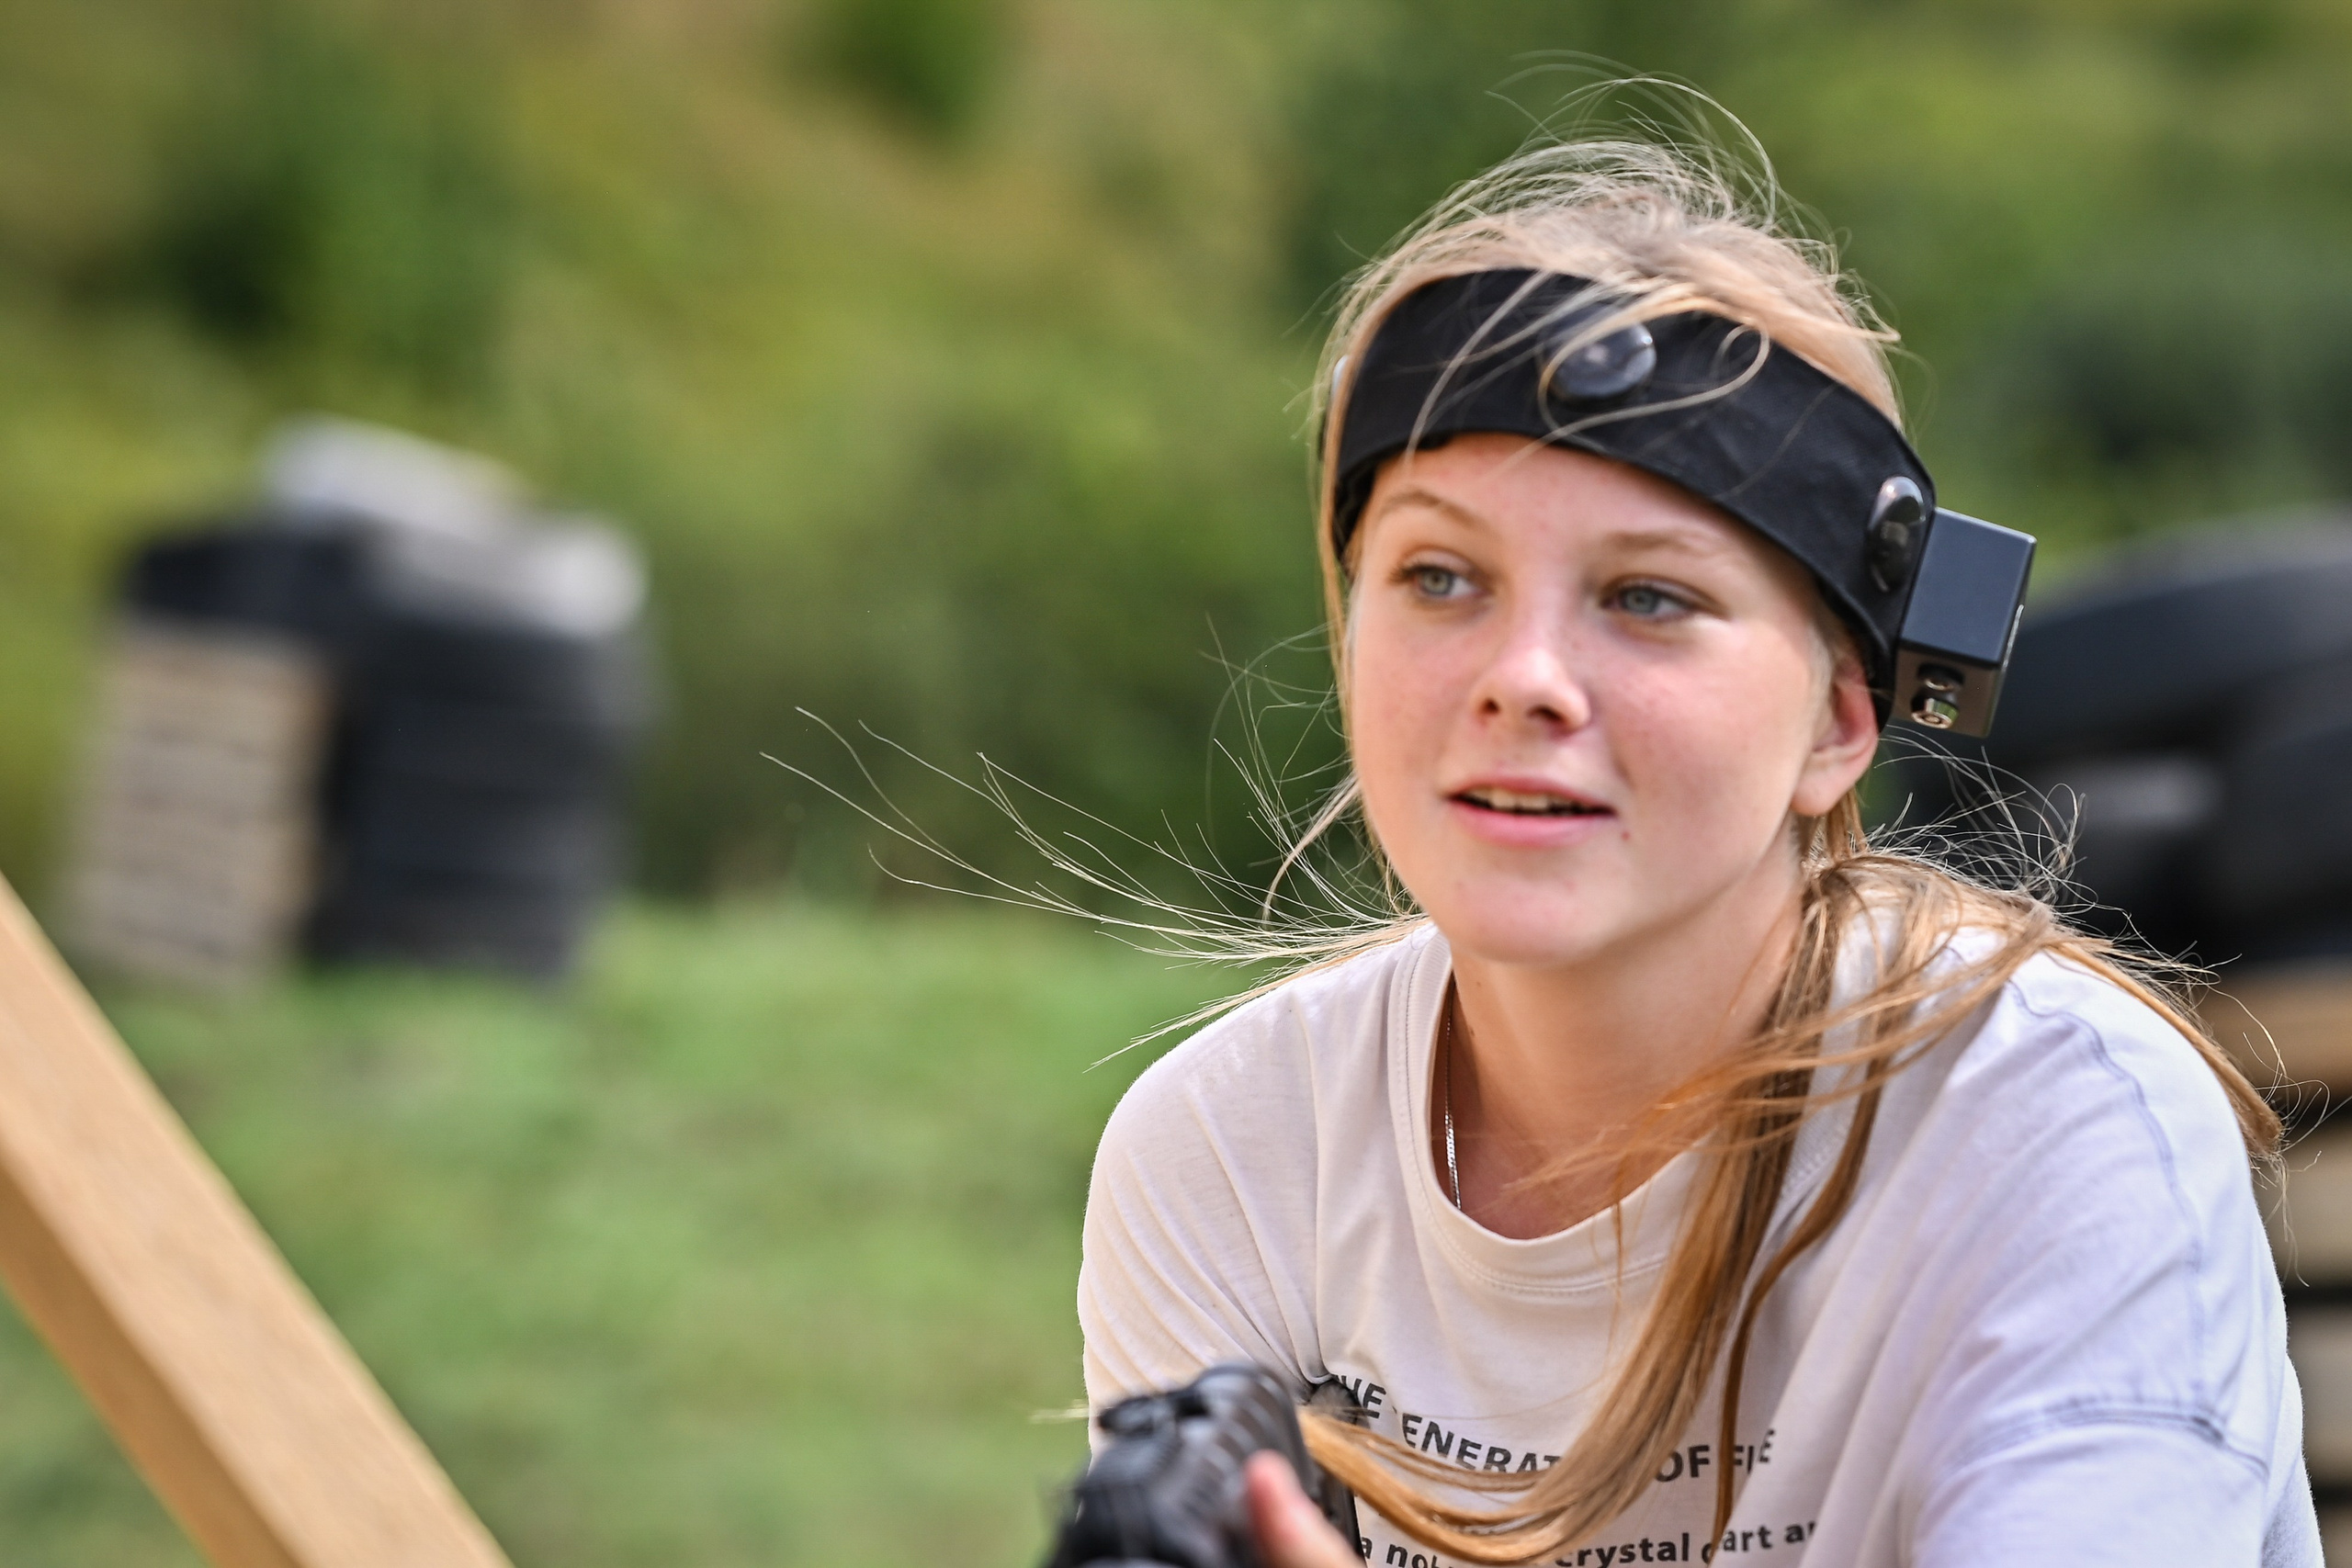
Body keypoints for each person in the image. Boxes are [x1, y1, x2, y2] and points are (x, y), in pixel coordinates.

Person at [1074, 135, 2318, 1567]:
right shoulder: (1231, 1151)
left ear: (1839, 722)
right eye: (1440, 576)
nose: (1523, 677)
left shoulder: (2055, 1125)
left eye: (1648, 597)